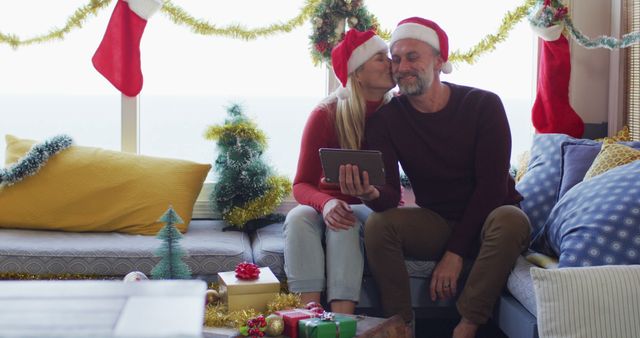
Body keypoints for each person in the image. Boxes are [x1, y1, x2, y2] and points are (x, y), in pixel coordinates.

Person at [338, 17, 531, 337]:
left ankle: (467, 326)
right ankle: (401, 327)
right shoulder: (387, 120)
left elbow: (492, 188)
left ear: (440, 61)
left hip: (490, 221)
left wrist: (455, 254)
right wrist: (369, 193)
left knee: (511, 218)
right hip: (438, 221)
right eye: (396, 59)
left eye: (413, 57)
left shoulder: (483, 105)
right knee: (379, 225)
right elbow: (387, 196)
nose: (401, 67)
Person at [283, 29, 395, 314]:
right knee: (298, 217)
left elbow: (393, 192)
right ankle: (307, 317)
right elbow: (302, 184)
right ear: (357, 73)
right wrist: (327, 201)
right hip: (328, 204)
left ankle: (341, 320)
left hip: (370, 206)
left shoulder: (397, 115)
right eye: (381, 58)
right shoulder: (326, 114)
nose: (391, 63)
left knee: (344, 225)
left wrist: (367, 194)